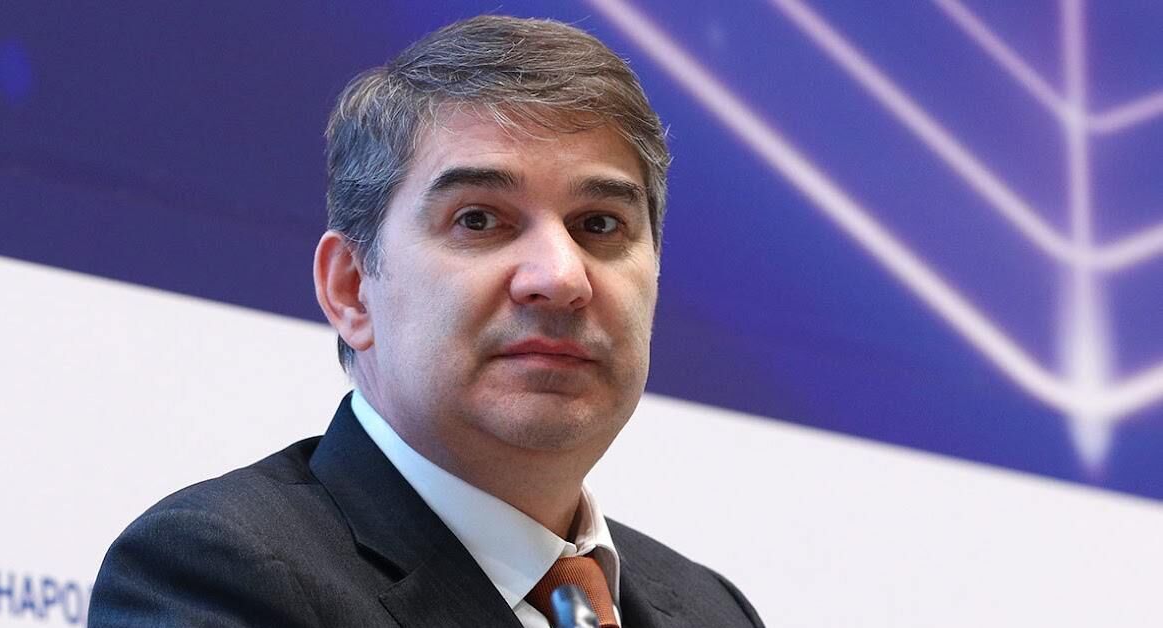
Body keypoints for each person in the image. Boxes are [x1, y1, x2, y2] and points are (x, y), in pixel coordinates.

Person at [89, 14, 764, 628]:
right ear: (352, 290)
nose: (561, 277)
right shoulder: (218, 572)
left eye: (600, 225)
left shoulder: (715, 612)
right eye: (479, 219)